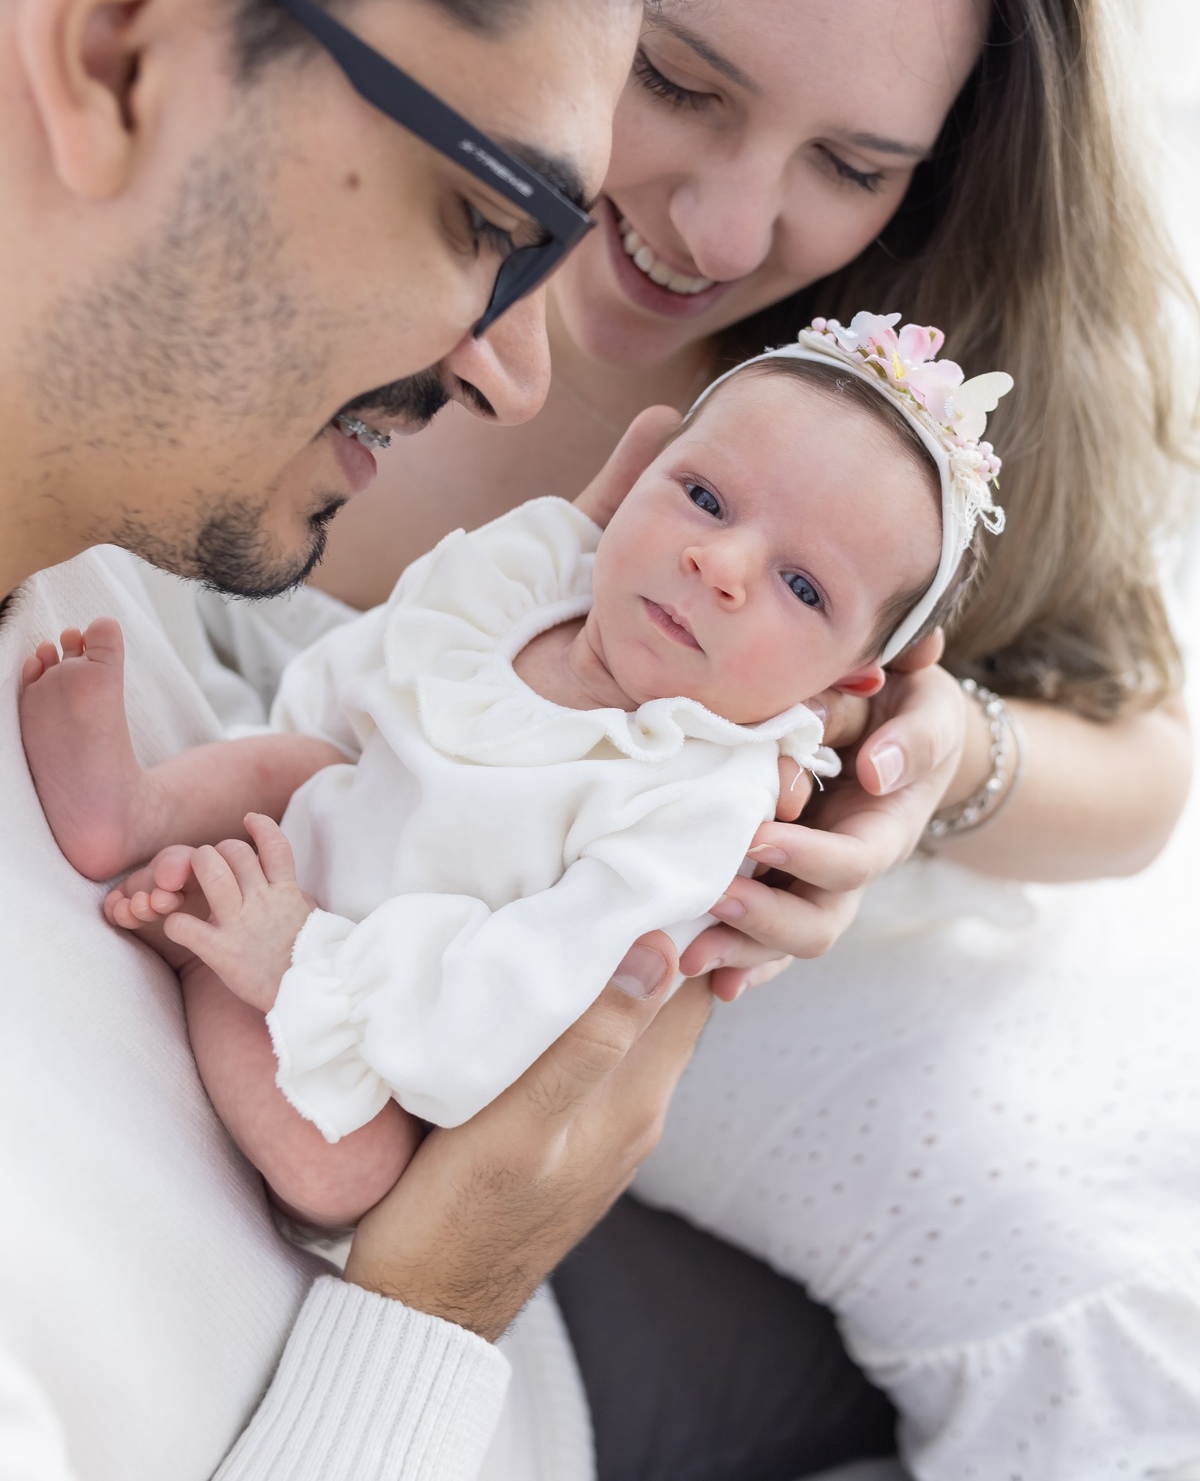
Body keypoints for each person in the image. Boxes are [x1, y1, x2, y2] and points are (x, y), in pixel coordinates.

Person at [292, 0, 1200, 1475]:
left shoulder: (868, 389)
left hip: (899, 1015)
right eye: (679, 83)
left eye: (853, 165)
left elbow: (1144, 766)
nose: (722, 228)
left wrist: (942, 772)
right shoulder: (300, 211)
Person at [0, 0, 771, 1478]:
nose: (513, 372)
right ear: (118, 45)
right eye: (489, 222)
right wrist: (442, 1298)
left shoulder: (109, 529)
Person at [22, 319, 1008, 1234]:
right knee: (301, 761)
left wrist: (306, 963)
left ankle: (217, 960)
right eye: (704, 496)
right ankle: (135, 809)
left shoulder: (703, 807)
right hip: (319, 828)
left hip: (395, 1015)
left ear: (843, 683)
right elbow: (359, 683)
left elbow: (529, 992)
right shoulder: (538, 574)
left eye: (802, 587)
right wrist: (258, 795)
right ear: (643, 471)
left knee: (344, 1179)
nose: (721, 562)